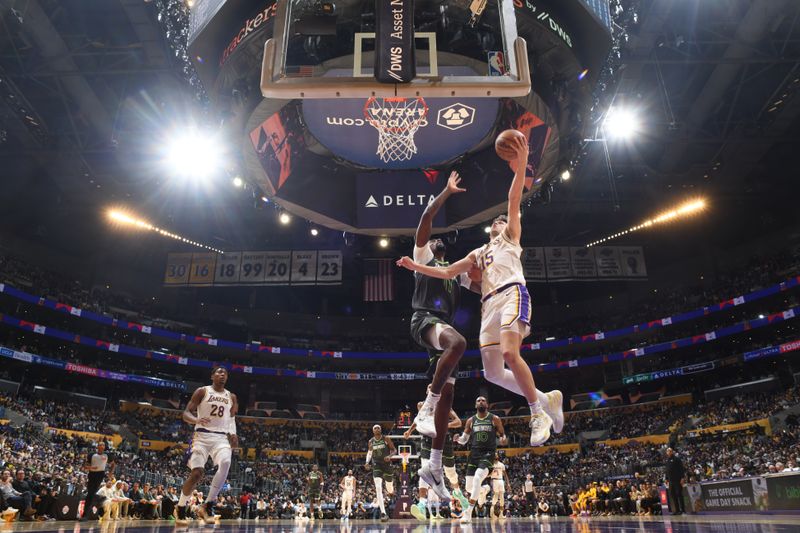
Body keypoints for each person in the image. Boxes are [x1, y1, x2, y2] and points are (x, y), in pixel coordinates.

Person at [397, 136, 563, 447]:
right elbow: (448, 271)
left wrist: (520, 166)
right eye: (496, 221)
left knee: (510, 353)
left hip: (512, 292)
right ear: (489, 230)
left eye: (502, 220)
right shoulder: (477, 253)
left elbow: (513, 199)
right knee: (493, 374)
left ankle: (537, 412)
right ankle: (547, 399)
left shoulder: (511, 236)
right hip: (486, 307)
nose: (500, 221)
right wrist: (414, 267)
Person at [404, 171, 481, 501]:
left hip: (441, 333)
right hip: (425, 320)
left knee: (449, 395)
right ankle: (427, 404)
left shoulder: (455, 274)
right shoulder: (423, 257)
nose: (437, 241)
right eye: (434, 239)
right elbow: (426, 216)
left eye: (440, 242)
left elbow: (481, 287)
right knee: (460, 343)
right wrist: (447, 192)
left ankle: (433, 467)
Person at [175, 366, 238, 525]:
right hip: (201, 435)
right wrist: (196, 419)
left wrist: (233, 433)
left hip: (221, 438)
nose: (222, 374)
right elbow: (186, 413)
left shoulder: (231, 396)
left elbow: (231, 419)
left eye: (225, 373)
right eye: (219, 372)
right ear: (212, 376)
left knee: (225, 463)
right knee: (197, 474)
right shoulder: (202, 391)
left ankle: (207, 505)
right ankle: (181, 507)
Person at [404, 388, 469, 520]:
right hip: (428, 441)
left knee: (451, 473)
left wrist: (444, 425)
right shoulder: (423, 406)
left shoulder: (445, 405)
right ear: (428, 392)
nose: (431, 390)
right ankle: (422, 504)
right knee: (424, 470)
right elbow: (417, 420)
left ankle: (458, 493)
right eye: (429, 388)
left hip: (444, 440)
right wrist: (409, 432)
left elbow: (458, 422)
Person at [453, 396, 507, 523]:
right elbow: (464, 440)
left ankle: (468, 513)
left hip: (488, 454)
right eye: (478, 400)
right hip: (474, 455)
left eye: (483, 400)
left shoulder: (495, 419)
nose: (481, 402)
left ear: (487, 404)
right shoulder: (471, 421)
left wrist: (503, 439)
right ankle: (483, 489)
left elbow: (503, 435)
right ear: (475, 405)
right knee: (468, 488)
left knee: (478, 478)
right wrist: (458, 439)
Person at [365, 424, 395, 521]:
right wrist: (366, 462)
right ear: (373, 431)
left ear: (381, 430)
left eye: (378, 428)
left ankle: (391, 491)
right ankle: (383, 513)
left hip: (387, 465)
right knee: (378, 488)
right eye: (375, 428)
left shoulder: (386, 438)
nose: (377, 429)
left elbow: (394, 450)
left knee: (389, 487)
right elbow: (369, 453)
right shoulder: (371, 441)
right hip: (376, 465)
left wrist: (389, 457)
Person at [81, 441, 114, 520]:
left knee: (91, 494)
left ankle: (86, 515)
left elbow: (113, 464)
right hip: (92, 474)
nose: (101, 446)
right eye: (100, 444)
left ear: (104, 447)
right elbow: (85, 466)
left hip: (100, 474)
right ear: (97, 446)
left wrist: (110, 473)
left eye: (103, 445)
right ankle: (88, 513)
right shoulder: (92, 455)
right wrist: (91, 468)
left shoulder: (107, 455)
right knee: (90, 494)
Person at [490, 453, 511, 520]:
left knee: (502, 496)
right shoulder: (490, 464)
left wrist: (508, 483)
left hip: (501, 480)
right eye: (495, 454)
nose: (496, 455)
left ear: (498, 456)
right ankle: (492, 511)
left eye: (496, 455)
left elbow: (505, 474)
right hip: (494, 480)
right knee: (496, 495)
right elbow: (488, 474)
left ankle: (501, 514)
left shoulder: (502, 464)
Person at [665, 447, 686, 514]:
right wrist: (666, 478)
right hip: (670, 481)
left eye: (670, 451)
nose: (669, 452)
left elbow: (681, 469)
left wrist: (682, 478)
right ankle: (676, 510)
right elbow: (667, 470)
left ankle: (682, 510)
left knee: (679, 494)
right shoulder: (667, 460)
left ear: (672, 452)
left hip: (677, 480)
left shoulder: (677, 459)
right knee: (673, 495)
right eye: (668, 451)